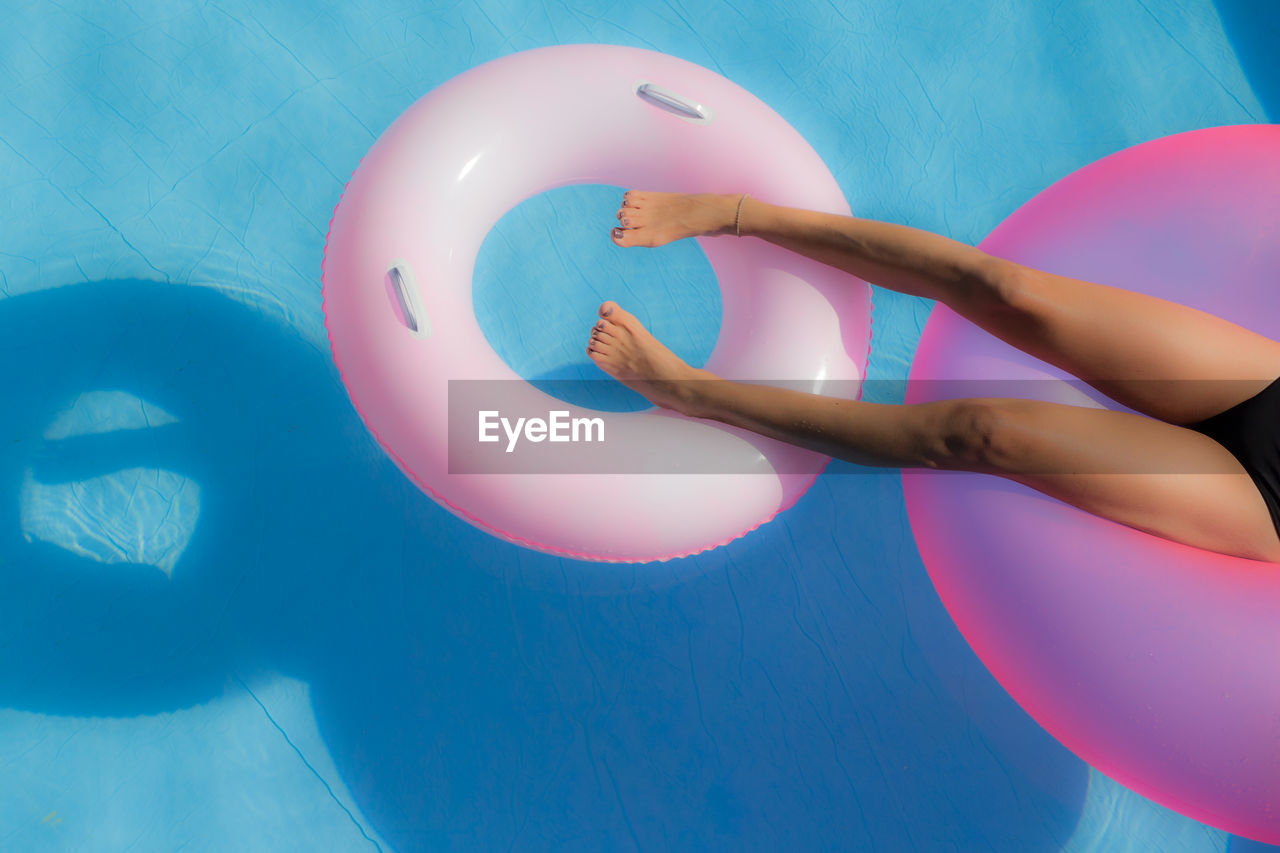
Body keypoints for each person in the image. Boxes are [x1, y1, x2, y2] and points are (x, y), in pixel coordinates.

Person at [586, 192, 1280, 563]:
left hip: (1262, 503)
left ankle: (688, 390)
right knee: (1009, 290)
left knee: (983, 431)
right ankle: (738, 213)